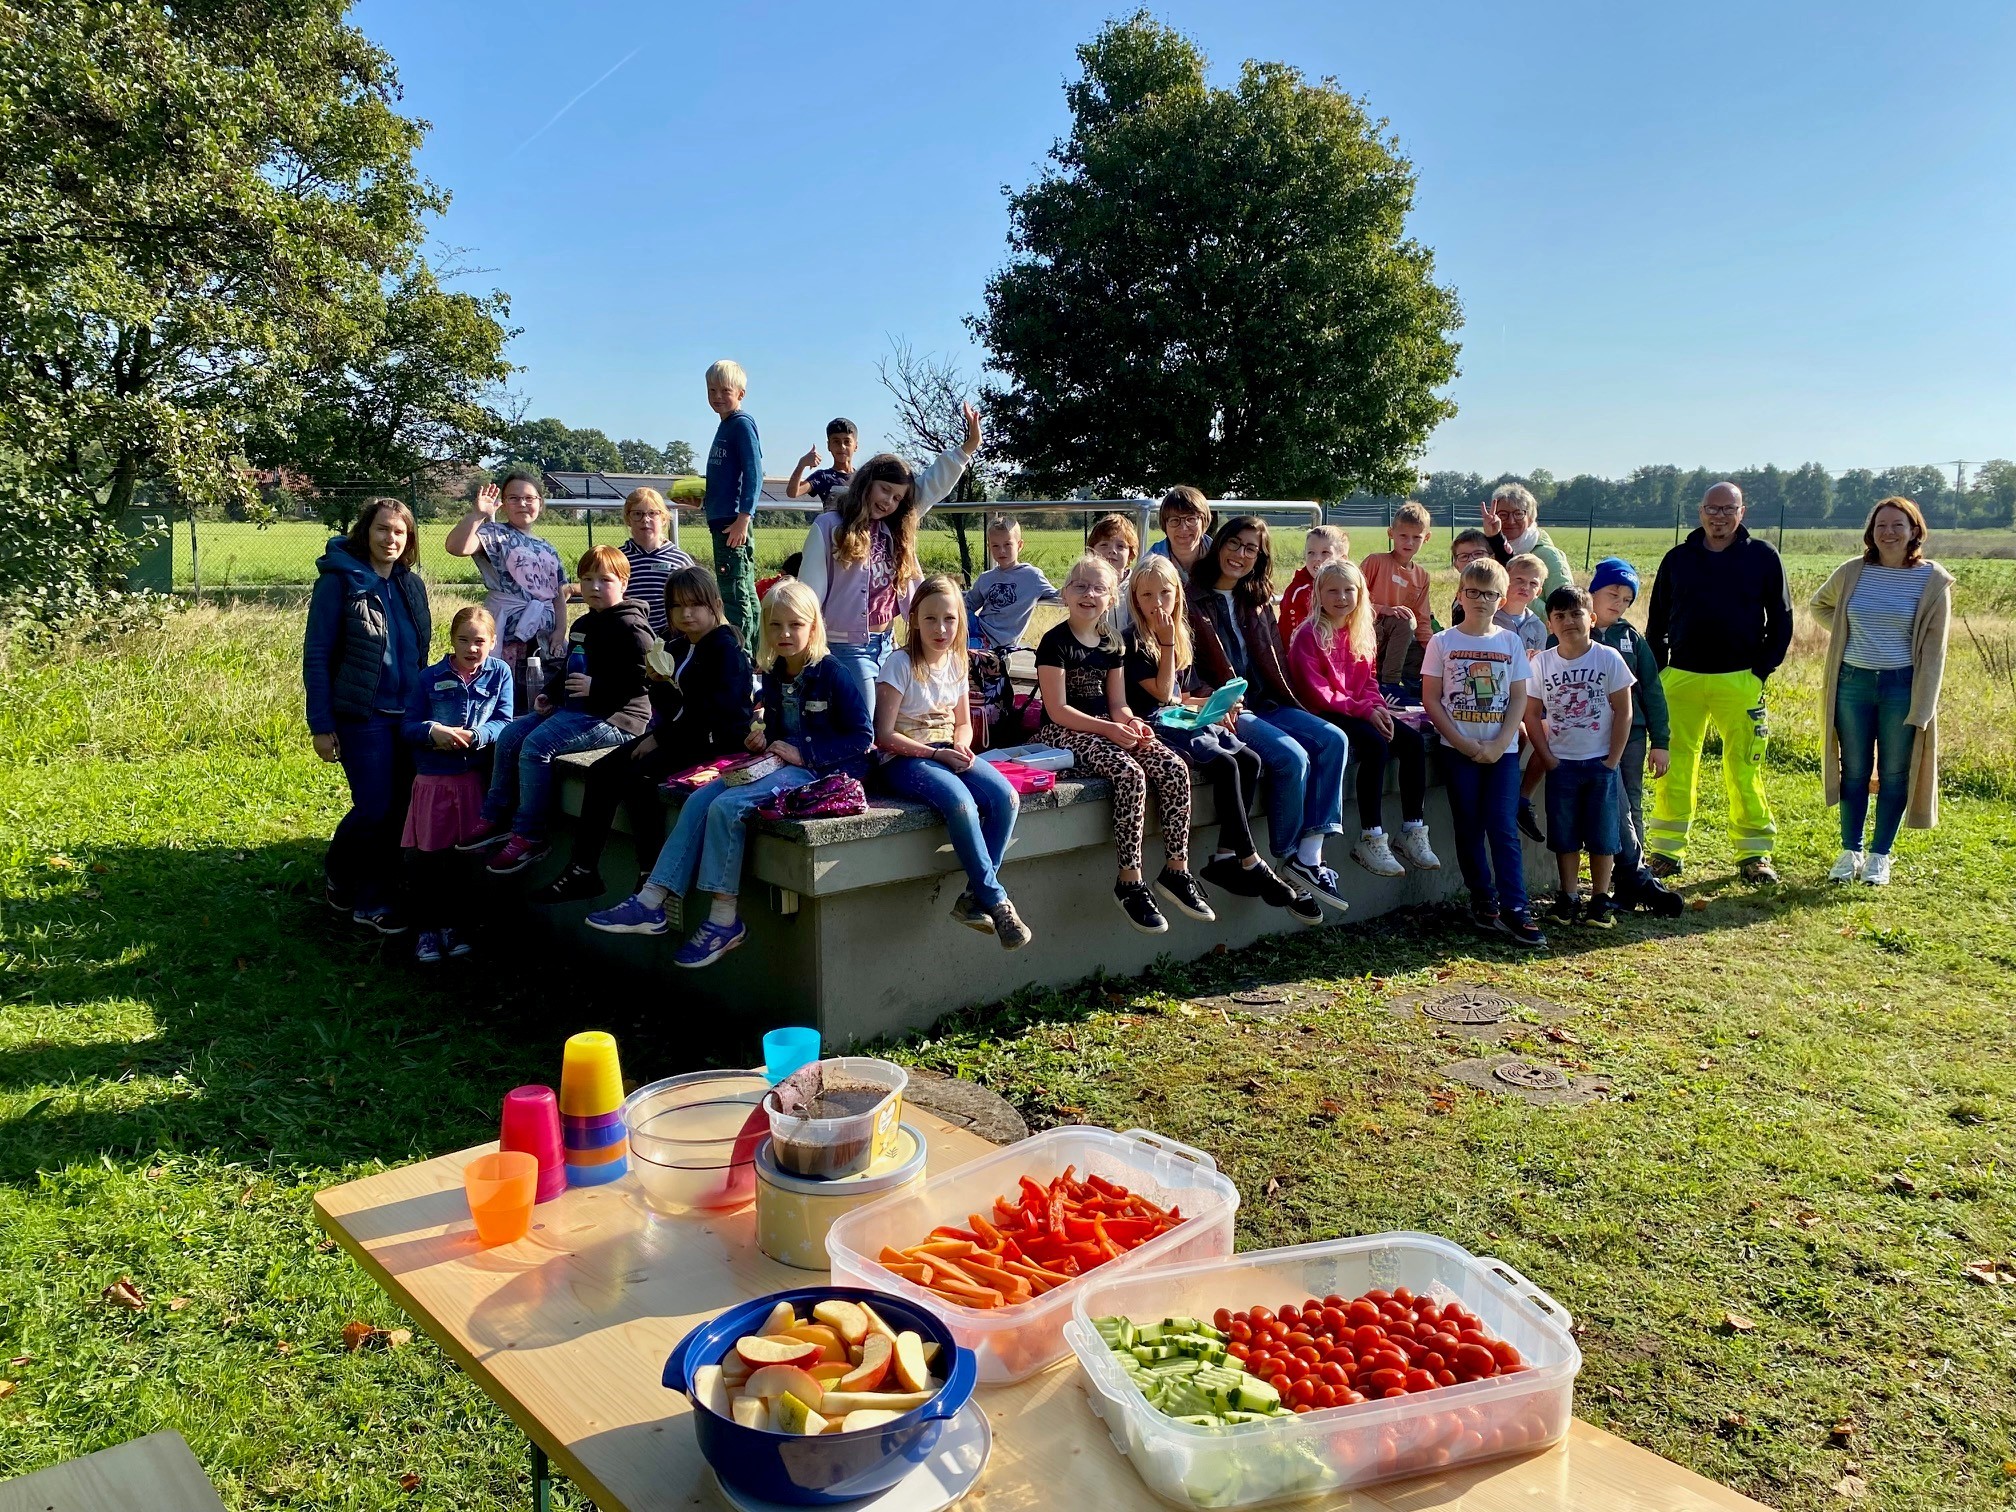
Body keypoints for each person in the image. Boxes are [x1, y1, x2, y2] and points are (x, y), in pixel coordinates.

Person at [585, 580, 874, 966]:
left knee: (728, 805)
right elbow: (776, 727)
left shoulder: (832, 673)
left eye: (795, 625)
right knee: (703, 796)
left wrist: (803, 752)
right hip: (778, 763)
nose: (784, 634)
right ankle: (651, 900)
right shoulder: (773, 674)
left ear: (813, 627)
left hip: (820, 774)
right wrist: (765, 736)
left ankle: (724, 920)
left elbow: (862, 737)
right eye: (775, 625)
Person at [532, 567, 756, 905]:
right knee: (602, 771)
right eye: (678, 607)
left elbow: (714, 713)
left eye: (696, 605)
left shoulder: (725, 650)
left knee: (641, 778)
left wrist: (661, 738)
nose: (686, 613)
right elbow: (671, 706)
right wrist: (658, 682)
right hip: (680, 735)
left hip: (715, 743)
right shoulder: (680, 646)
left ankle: (649, 873)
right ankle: (583, 869)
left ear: (716, 605)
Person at [1122, 555, 1316, 922]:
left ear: (1177, 595)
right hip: (1154, 724)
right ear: (1135, 599)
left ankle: (1227, 854)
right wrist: (1165, 645)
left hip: (1181, 716)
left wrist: (1217, 700)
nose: (1157, 603)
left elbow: (1181, 696)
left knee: (1251, 759)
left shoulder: (1179, 634)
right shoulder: (1136, 641)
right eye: (1147, 595)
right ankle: (1249, 858)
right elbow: (1162, 695)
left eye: (1165, 593)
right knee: (1226, 765)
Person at [1034, 556, 1213, 935]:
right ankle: (1129, 880)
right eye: (1080, 586)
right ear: (1065, 594)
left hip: (1104, 727)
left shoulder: (1113, 642)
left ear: (1112, 599)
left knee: (1171, 766)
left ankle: (1176, 870)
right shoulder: (1054, 642)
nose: (1089, 593)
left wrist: (1130, 722)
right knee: (1129, 773)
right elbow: (1058, 709)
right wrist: (1109, 730)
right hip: (1063, 730)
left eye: (1099, 587)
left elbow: (1118, 703)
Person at [1187, 516, 1353, 913]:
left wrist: (1305, 705)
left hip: (1266, 701)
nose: (1240, 555)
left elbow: (1275, 662)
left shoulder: (1256, 599)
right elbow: (1186, 667)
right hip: (1224, 707)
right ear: (1219, 544)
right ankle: (1286, 854)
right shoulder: (1191, 597)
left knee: (1333, 739)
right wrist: (1214, 699)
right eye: (1234, 544)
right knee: (1291, 756)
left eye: (1251, 549)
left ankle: (1308, 857)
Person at [463, 546, 655, 874]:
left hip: (619, 718)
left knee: (538, 745)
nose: (594, 586)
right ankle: (496, 816)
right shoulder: (583, 624)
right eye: (587, 579)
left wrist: (598, 688)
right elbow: (570, 667)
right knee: (510, 735)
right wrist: (550, 694)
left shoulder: (632, 627)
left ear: (624, 583)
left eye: (605, 579)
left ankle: (530, 835)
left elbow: (648, 680)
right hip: (580, 710)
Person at [1645, 482, 1793, 884]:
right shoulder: (1678, 559)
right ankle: (1665, 851)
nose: (1719, 516)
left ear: (1742, 512)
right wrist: (1660, 673)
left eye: (1728, 509)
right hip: (1681, 680)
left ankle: (1754, 853)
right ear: (1700, 511)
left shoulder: (1762, 557)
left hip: (1740, 680)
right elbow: (1656, 623)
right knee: (1674, 766)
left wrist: (1761, 671)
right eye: (1712, 508)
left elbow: (1781, 620)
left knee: (1744, 767)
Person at [873, 576, 1032, 948]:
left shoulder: (958, 662)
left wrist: (962, 746)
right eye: (930, 619)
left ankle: (973, 899)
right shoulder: (900, 664)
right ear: (913, 620)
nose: (940, 628)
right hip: (904, 757)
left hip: (946, 750)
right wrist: (934, 753)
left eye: (950, 619)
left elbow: (962, 725)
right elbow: (883, 735)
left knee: (1006, 798)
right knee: (960, 803)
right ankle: (996, 900)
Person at [1810, 497, 1954, 887]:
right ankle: (1850, 851)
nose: (1888, 533)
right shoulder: (1853, 572)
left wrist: (1924, 704)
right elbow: (1819, 605)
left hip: (1901, 686)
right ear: (1871, 533)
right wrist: (1845, 632)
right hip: (1852, 684)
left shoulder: (1933, 580)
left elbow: (1936, 647)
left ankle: (1879, 856)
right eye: (1880, 526)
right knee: (1853, 771)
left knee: (1894, 773)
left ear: (1914, 531)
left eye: (1897, 525)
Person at [303, 497, 432, 934]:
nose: (391, 539)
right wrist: (321, 725)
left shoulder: (410, 585)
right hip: (364, 715)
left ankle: (368, 887)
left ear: (409, 538)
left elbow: (421, 649)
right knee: (375, 807)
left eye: (400, 532)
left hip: (408, 714)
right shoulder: (340, 582)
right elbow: (318, 654)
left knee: (399, 807)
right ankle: (354, 884)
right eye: (383, 530)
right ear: (366, 532)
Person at [799, 406, 983, 700]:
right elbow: (808, 594)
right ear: (866, 483)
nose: (888, 502)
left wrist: (969, 447)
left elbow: (933, 483)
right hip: (845, 647)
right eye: (884, 490)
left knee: (893, 718)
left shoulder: (895, 526)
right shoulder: (830, 527)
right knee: (867, 720)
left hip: (888, 642)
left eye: (897, 497)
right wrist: (807, 646)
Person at [1287, 559, 1439, 878]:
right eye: (1332, 591)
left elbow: (1369, 679)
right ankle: (1370, 836)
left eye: (1349, 590)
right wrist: (1365, 711)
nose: (1341, 597)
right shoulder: (1308, 634)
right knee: (1374, 745)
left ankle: (1412, 828)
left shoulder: (1361, 630)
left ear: (1361, 594)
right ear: (1318, 594)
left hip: (1359, 708)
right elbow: (1316, 693)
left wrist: (1377, 707)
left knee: (1410, 741)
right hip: (1323, 713)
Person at [1422, 557, 1545, 948]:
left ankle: (1515, 908)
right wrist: (1463, 743)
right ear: (1460, 595)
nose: (1481, 600)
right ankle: (1483, 900)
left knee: (1503, 827)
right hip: (1457, 751)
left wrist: (1498, 743)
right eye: (1473, 592)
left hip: (1502, 753)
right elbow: (1431, 699)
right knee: (1469, 825)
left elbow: (1519, 698)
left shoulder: (1509, 642)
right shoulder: (1443, 643)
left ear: (1501, 598)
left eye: (1490, 594)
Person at [400, 606, 514, 961]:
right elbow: (407, 727)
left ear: (493, 642)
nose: (472, 648)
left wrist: (478, 735)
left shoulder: (500, 674)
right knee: (429, 859)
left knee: (465, 860)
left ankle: (456, 925)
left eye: (480, 641)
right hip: (434, 781)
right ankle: (427, 930)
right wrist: (432, 731)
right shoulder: (429, 678)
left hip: (473, 783)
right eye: (463, 640)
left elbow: (504, 721)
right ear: (451, 641)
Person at [1530, 586, 1635, 929]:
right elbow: (1531, 714)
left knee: (1603, 835)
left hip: (1600, 761)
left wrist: (1612, 761)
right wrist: (1547, 758)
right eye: (1559, 616)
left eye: (1576, 614)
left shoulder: (1607, 658)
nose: (1568, 621)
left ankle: (1600, 899)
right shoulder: (1543, 663)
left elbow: (1624, 711)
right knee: (1565, 833)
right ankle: (1569, 896)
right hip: (1562, 763)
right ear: (1550, 624)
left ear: (1591, 618)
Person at [1586, 558, 1682, 915]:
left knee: (1630, 801)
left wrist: (1661, 742)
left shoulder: (1631, 638)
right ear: (1593, 592)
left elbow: (1653, 691)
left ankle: (1631, 881)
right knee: (1602, 805)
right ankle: (1616, 877)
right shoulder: (1574, 630)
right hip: (1588, 735)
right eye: (1612, 593)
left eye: (1627, 599)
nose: (1618, 602)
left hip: (1633, 734)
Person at [443, 472, 567, 712]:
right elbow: (456, 547)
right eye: (514, 498)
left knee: (544, 698)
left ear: (540, 503)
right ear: (504, 503)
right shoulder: (494, 534)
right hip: (508, 635)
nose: (522, 503)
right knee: (509, 698)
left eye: (529, 498)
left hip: (543, 638)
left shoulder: (548, 548)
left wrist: (560, 630)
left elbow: (558, 594)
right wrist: (477, 515)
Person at [702, 359, 764, 646]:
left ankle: (743, 651)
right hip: (720, 517)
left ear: (740, 393)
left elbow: (753, 473)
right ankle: (752, 648)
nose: (716, 396)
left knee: (735, 590)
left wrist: (744, 517)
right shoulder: (724, 426)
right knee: (742, 587)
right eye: (711, 390)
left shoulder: (741, 425)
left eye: (724, 390)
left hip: (732, 522)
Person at [1500, 553, 1553, 845]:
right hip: (1499, 695)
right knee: (1518, 735)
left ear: (1539, 590)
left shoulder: (1538, 626)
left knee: (1550, 735)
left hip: (1527, 695)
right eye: (1518, 579)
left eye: (1532, 583)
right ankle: (1504, 792)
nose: (1524, 586)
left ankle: (1522, 798)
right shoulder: (1493, 615)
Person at [1361, 502, 1433, 690]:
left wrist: (1436, 649)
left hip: (1400, 640)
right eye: (1403, 536)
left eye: (1416, 537)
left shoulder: (1422, 576)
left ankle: (1413, 685)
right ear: (1391, 533)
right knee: (1404, 620)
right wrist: (1385, 609)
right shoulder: (1375, 562)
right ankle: (1389, 684)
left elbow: (1422, 619)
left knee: (1428, 645)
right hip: (1369, 632)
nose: (1409, 543)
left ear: (1426, 538)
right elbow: (1354, 601)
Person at [965, 516, 1061, 650]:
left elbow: (1058, 595)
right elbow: (967, 604)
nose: (1001, 551)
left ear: (1020, 545)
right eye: (995, 546)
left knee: (956, 647)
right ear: (989, 547)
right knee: (939, 625)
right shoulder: (986, 578)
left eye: (1007, 544)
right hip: (978, 625)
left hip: (995, 640)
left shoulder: (1032, 577)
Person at [618, 487, 693, 638]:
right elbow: (602, 584)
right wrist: (573, 589)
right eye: (637, 514)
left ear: (664, 518)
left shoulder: (680, 560)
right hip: (629, 635)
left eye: (652, 513)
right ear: (628, 519)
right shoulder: (619, 558)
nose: (645, 519)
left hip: (671, 637)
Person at [1480, 482, 1573, 600]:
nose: (1511, 521)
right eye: (1503, 515)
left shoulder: (1549, 556)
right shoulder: (1486, 553)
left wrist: (1523, 597)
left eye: (1518, 514)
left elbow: (1565, 608)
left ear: (1530, 518)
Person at [1278, 524, 1348, 654]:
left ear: (1342, 559)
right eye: (1311, 553)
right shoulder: (1299, 591)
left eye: (1325, 552)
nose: (1317, 558)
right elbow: (1293, 637)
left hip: (1337, 653)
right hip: (1306, 658)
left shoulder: (1348, 587)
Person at [785, 417, 859, 508]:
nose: (842, 446)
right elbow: (792, 493)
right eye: (836, 442)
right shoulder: (822, 477)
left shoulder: (862, 477)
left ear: (855, 446)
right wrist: (801, 464)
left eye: (847, 441)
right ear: (829, 445)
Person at [1088, 513, 1141, 632]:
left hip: (1132, 647)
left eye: (1120, 546)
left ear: (1131, 553)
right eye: (1104, 545)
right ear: (1092, 551)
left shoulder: (1138, 585)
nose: (1112, 551)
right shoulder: (1085, 585)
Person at [1146, 486, 1214, 577]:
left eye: (1191, 519)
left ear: (1204, 521)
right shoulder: (1148, 566)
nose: (1183, 528)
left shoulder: (1221, 557)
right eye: (1175, 520)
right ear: (1164, 524)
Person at [1446, 528, 1493, 628]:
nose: (1471, 559)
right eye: (1464, 556)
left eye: (1478, 553)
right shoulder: (1460, 594)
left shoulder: (1494, 595)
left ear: (1491, 558)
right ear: (1456, 565)